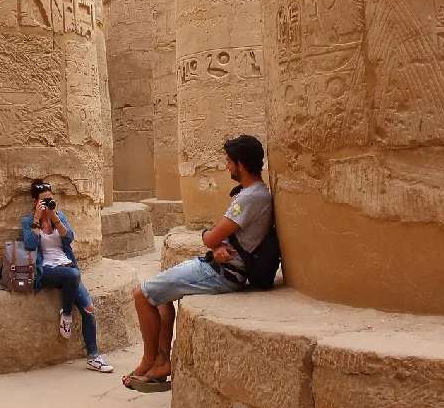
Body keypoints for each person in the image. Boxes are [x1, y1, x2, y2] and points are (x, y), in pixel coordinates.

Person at [123, 134, 273, 392]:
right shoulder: (256, 193)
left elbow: (211, 236)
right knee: (160, 297)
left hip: (223, 273)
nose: (226, 167)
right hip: (221, 264)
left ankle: (149, 360)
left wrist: (209, 239)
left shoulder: (250, 198)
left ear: (241, 164)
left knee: (141, 295)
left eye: (229, 162)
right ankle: (161, 362)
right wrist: (215, 244)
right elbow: (220, 238)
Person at [21, 179, 113, 373]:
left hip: (66, 268)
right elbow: (29, 245)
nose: (48, 204)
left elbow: (69, 237)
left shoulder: (59, 216)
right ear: (35, 201)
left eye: (50, 200)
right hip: (45, 271)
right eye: (44, 201)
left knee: (88, 308)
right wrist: (37, 218)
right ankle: (67, 314)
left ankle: (94, 356)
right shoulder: (28, 221)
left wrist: (55, 218)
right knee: (73, 274)